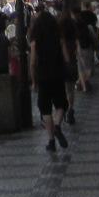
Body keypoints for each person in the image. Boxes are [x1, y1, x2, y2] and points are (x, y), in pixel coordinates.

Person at [29, 10, 71, 153]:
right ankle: (58, 125)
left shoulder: (35, 38)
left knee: (45, 108)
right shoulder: (58, 35)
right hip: (58, 73)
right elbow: (66, 57)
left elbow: (33, 61)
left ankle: (51, 141)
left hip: (43, 75)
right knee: (61, 104)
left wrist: (33, 80)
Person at [57, 8, 80, 125]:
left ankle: (64, 110)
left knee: (64, 89)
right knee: (71, 89)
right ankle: (70, 108)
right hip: (72, 61)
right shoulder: (74, 30)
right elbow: (78, 46)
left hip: (61, 63)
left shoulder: (59, 33)